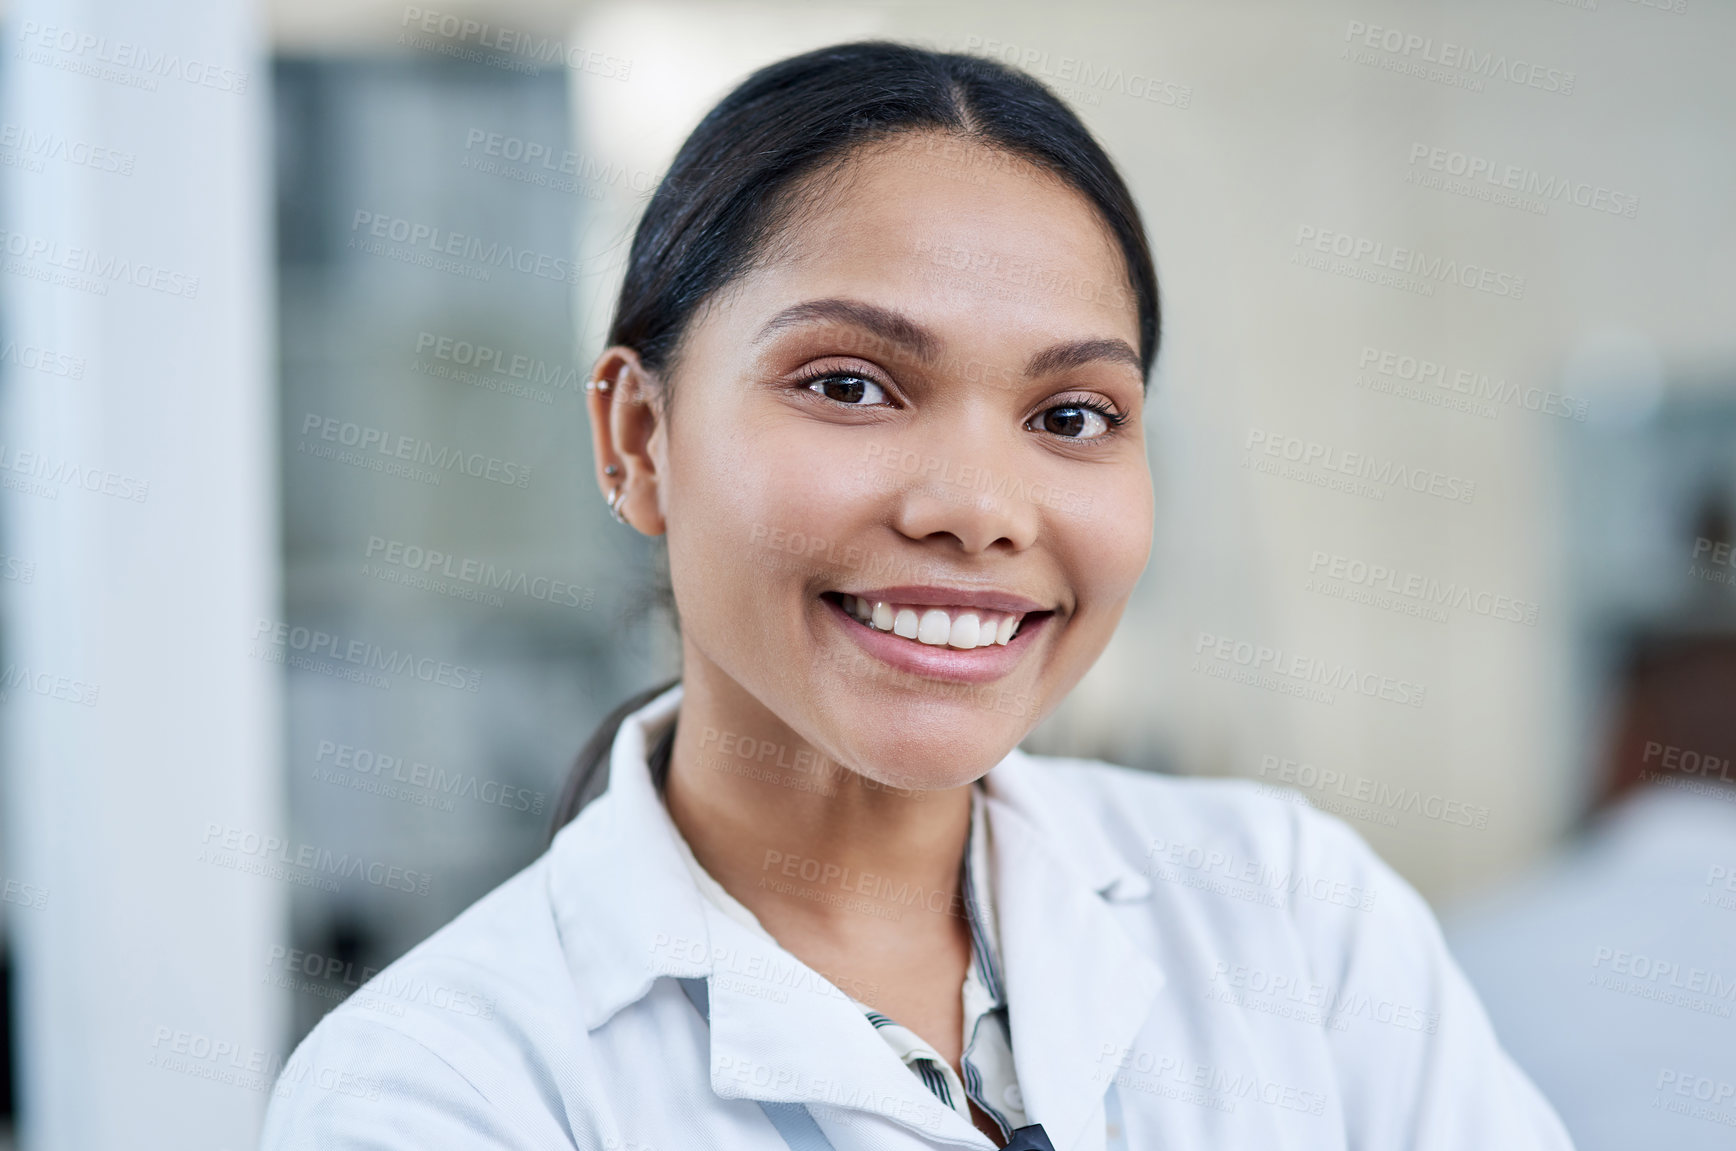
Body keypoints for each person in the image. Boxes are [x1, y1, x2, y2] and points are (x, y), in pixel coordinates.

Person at [259, 40, 1573, 1150]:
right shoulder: (446, 1088)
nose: (980, 507)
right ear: (637, 438)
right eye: (850, 385)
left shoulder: (1290, 916)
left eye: (1071, 413)